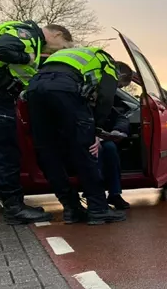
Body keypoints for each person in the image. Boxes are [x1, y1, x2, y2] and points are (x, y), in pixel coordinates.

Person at [0, 21, 72, 225]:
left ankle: (13, 205)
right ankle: (15, 209)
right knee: (5, 151)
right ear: (57, 35)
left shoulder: (32, 41)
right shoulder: (28, 35)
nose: (59, 51)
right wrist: (26, 57)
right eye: (63, 46)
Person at [25, 47, 132, 225]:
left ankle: (71, 209)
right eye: (119, 86)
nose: (116, 89)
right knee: (86, 149)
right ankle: (98, 209)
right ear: (120, 76)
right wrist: (95, 131)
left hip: (35, 88)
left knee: (47, 152)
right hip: (64, 89)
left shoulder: (69, 57)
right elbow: (106, 97)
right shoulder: (108, 63)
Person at [97, 74, 133, 210]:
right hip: (81, 137)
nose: (118, 89)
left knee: (110, 148)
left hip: (98, 136)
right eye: (120, 85)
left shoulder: (106, 98)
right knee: (97, 151)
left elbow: (121, 117)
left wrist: (117, 131)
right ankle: (97, 196)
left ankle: (114, 194)